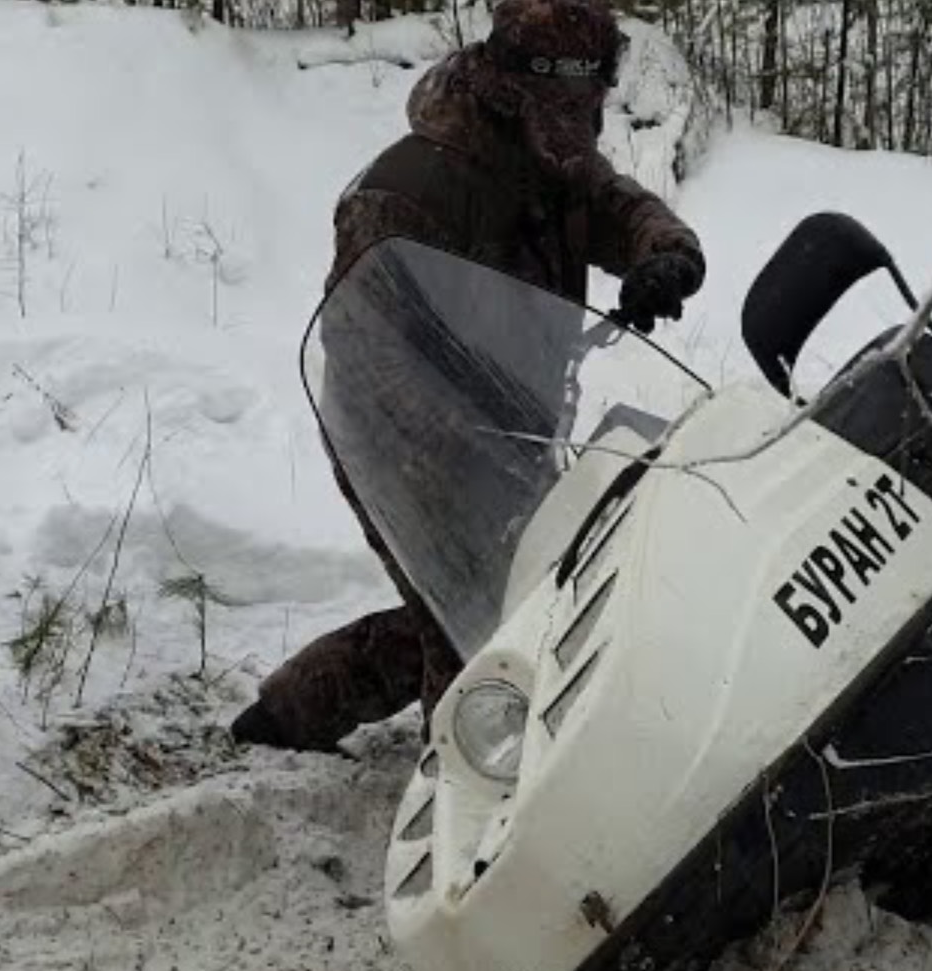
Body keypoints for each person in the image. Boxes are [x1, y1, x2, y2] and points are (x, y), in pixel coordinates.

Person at [230, 0, 706, 753]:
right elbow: (360, 342)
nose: (573, 119)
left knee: (514, 597)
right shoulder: (409, 187)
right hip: (401, 442)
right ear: (505, 83)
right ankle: (473, 784)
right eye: (556, 100)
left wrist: (662, 254)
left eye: (585, 101)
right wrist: (465, 430)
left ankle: (293, 710)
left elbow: (616, 205)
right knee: (473, 622)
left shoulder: (556, 161)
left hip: (513, 423)